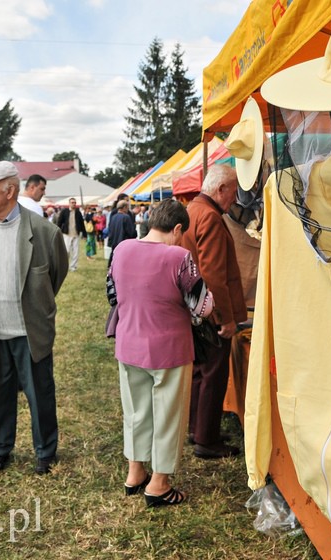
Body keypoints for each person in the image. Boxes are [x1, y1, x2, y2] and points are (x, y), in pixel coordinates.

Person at [109, 199, 214, 507]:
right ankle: (159, 483)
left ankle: (135, 472)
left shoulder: (121, 250)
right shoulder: (179, 256)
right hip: (170, 347)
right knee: (168, 415)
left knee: (136, 412)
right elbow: (201, 306)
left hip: (129, 342)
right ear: (177, 228)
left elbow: (111, 294)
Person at [0, 161, 68, 474]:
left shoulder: (44, 231)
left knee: (40, 394)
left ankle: (45, 452)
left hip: (29, 331)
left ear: (9, 190)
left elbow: (56, 274)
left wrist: (35, 305)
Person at [180, 164, 247, 459]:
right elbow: (214, 275)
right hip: (210, 312)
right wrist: (226, 319)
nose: (235, 199)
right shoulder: (209, 217)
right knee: (213, 374)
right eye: (233, 192)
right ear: (220, 189)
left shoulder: (194, 210)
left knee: (198, 372)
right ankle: (206, 439)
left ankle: (197, 428)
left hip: (194, 307)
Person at [55, 197, 84, 271]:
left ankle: (73, 266)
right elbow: (59, 222)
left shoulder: (78, 212)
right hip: (67, 234)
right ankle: (64, 266)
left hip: (76, 234)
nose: (74, 204)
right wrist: (57, 231)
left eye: (75, 202)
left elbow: (82, 223)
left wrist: (84, 234)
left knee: (75, 251)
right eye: (72, 202)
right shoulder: (64, 211)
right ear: (69, 203)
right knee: (66, 251)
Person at [106, 200, 137, 266]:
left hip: (114, 242)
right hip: (123, 242)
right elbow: (131, 233)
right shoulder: (126, 217)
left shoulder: (113, 217)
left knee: (114, 257)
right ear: (124, 207)